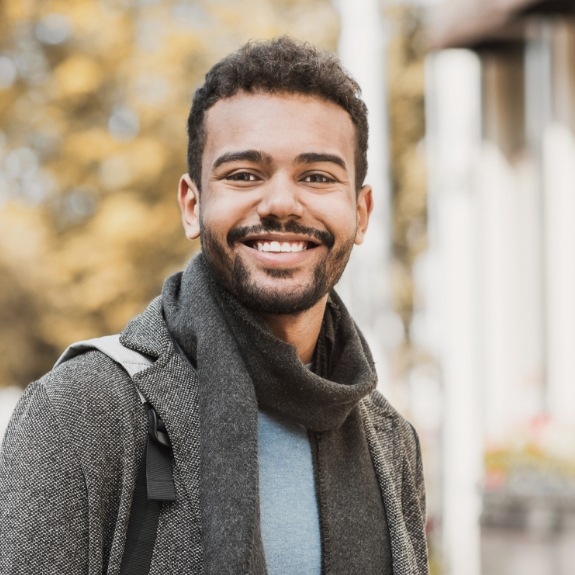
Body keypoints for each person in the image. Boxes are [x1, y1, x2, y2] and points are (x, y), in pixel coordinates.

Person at [0, 37, 428, 574]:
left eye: (316, 176)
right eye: (244, 175)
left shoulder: (390, 442)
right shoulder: (81, 412)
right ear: (192, 204)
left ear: (361, 212)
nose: (280, 203)